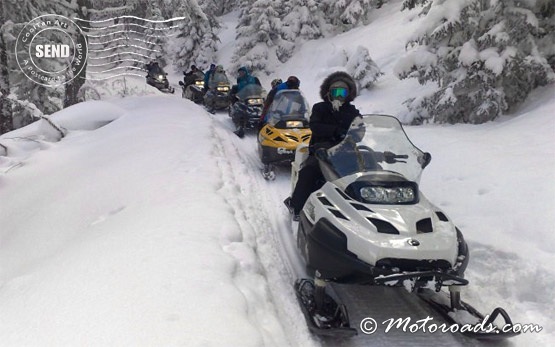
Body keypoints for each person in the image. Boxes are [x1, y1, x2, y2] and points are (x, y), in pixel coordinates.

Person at [284, 71, 360, 221]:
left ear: (348, 94)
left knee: (364, 171)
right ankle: (297, 206)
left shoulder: (352, 111)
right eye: (335, 92)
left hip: (345, 151)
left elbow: (361, 128)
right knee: (309, 171)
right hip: (321, 151)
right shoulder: (320, 108)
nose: (339, 96)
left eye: (342, 92)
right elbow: (315, 125)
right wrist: (335, 131)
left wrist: (356, 133)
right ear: (328, 93)